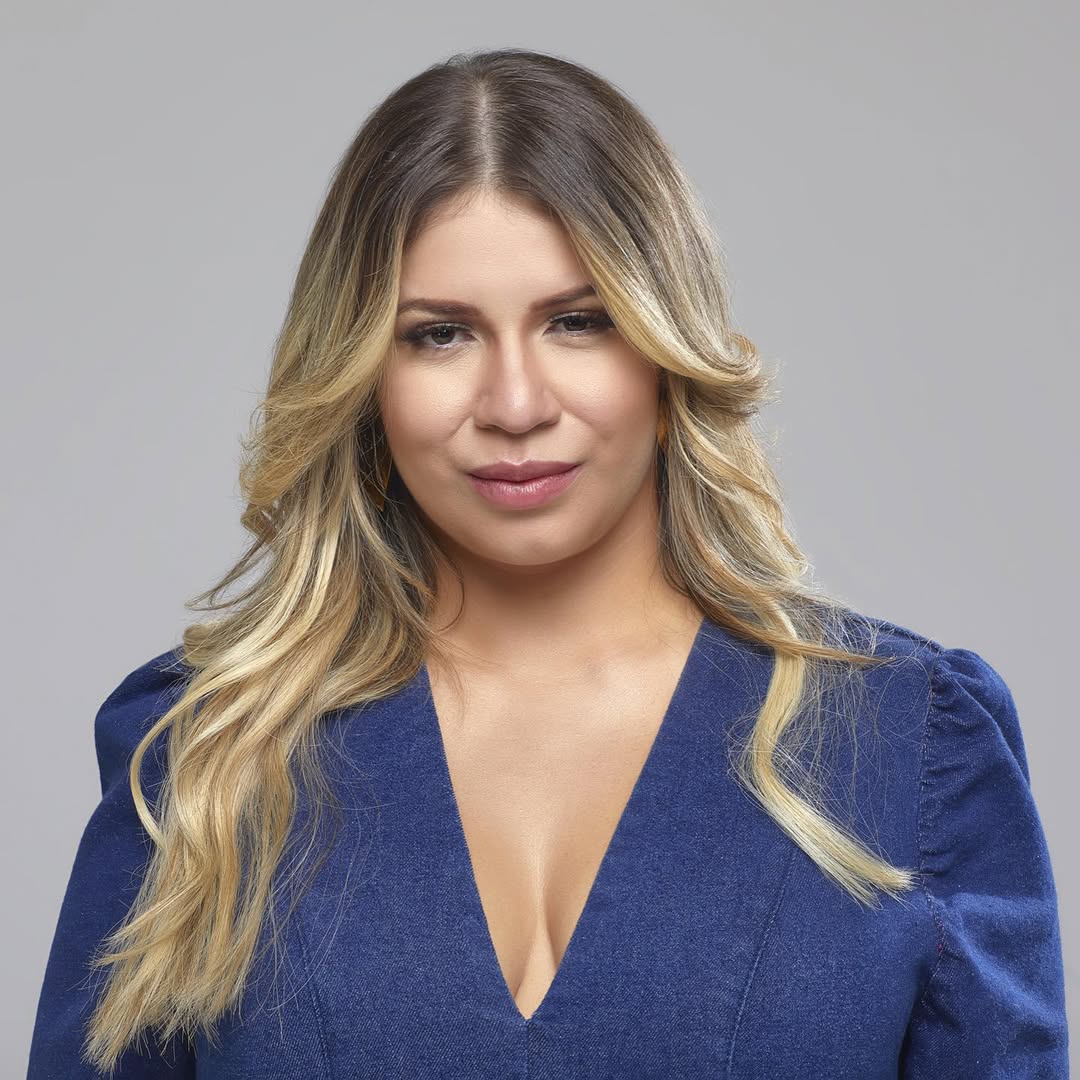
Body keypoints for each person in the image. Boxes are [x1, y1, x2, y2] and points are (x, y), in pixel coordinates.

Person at [28, 47, 1068, 1078]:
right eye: (440, 335)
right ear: (362, 376)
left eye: (578, 322)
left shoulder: (910, 746)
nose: (516, 405)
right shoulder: (207, 760)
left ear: (666, 350)